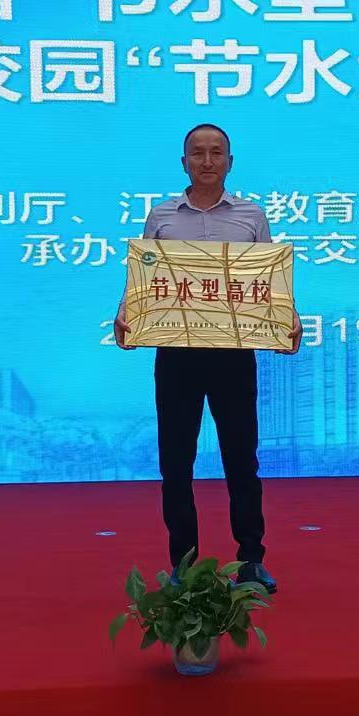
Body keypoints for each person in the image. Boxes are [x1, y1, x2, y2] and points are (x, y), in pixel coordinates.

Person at [114, 123, 301, 593]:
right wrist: (126, 312)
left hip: (233, 355)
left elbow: (269, 282)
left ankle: (251, 559)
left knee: (242, 460)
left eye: (216, 152)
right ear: (184, 163)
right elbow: (144, 281)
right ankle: (185, 563)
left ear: (230, 162)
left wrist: (290, 318)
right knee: (176, 464)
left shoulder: (251, 216)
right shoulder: (162, 216)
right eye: (198, 153)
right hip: (176, 355)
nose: (207, 161)